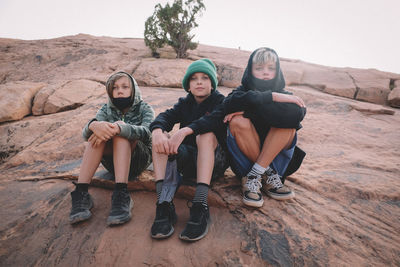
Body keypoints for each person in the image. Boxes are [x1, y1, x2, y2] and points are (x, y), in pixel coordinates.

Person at [149, 59, 228, 241]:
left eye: (205, 78)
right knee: (161, 138)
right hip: (189, 161)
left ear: (212, 84)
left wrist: (185, 130)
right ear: (188, 86)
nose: (199, 82)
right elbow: (165, 116)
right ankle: (164, 204)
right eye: (194, 79)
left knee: (205, 135)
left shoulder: (221, 101)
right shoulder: (185, 103)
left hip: (214, 162)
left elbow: (214, 120)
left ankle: (201, 204)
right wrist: (157, 131)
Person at [223, 47, 306, 207]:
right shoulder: (241, 92)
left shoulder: (287, 95)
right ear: (251, 70)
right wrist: (272, 97)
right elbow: (227, 105)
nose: (265, 72)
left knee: (288, 125)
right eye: (259, 68)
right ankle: (263, 175)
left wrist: (249, 111)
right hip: (245, 163)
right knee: (238, 121)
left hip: (277, 161)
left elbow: (296, 114)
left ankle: (257, 174)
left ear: (278, 71)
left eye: (271, 68)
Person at [69, 71, 154, 226]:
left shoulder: (144, 108)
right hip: (113, 164)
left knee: (120, 133)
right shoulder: (106, 109)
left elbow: (148, 133)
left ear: (133, 89)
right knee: (97, 135)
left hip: (138, 159)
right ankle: (81, 192)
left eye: (124, 87)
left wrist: (122, 128)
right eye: (114, 88)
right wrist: (94, 125)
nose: (119, 90)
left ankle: (121, 193)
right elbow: (85, 135)